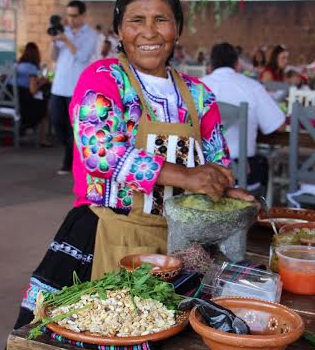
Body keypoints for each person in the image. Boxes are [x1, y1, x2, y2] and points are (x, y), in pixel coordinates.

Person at [13, 0, 253, 330]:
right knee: (108, 326)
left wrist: (226, 188)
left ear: (178, 29)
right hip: (109, 236)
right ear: (118, 30)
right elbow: (100, 153)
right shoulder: (103, 78)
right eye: (136, 20)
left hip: (182, 249)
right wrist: (185, 176)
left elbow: (216, 163)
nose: (149, 32)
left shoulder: (200, 96)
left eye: (162, 20)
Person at [202, 42, 286, 192]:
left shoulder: (197, 87)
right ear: (237, 64)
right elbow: (279, 126)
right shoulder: (252, 86)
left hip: (201, 174)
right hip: (243, 176)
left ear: (211, 65)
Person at [50, 0, 97, 175]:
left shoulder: (91, 35)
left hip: (76, 88)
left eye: (74, 16)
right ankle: (71, 154)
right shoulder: (63, 31)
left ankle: (68, 162)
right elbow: (53, 56)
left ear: (83, 15)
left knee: (73, 128)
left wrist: (66, 39)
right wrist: (54, 41)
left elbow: (83, 57)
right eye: (68, 15)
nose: (70, 19)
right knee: (56, 121)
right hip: (58, 86)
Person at [9, 42, 51, 146]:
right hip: (24, 105)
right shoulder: (32, 68)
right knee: (44, 105)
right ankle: (42, 139)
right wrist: (43, 81)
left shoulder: (15, 65)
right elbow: (33, 90)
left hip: (9, 102)